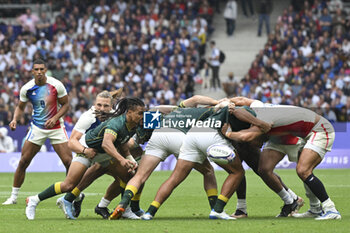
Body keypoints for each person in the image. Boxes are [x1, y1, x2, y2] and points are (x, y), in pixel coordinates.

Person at [137, 104, 271, 220]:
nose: (260, 146)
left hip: (193, 134)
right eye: (261, 141)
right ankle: (217, 210)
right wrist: (260, 123)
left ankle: (149, 212)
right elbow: (238, 113)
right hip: (211, 135)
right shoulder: (251, 115)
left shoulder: (229, 117)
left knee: (175, 178)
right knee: (237, 172)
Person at [25, 97, 145, 220]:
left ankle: (125, 209)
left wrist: (130, 159)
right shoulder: (116, 123)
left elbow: (122, 143)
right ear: (129, 112)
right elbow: (106, 143)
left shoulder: (132, 125)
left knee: (128, 175)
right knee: (68, 185)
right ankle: (34, 200)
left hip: (104, 154)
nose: (142, 116)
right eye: (140, 113)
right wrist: (121, 160)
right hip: (88, 149)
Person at [225, 97, 341, 220]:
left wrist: (228, 133)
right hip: (292, 134)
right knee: (264, 169)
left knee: (303, 171)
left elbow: (247, 137)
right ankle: (315, 209)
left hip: (319, 129)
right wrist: (224, 102)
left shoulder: (264, 120)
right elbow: (241, 99)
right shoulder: (257, 106)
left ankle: (331, 209)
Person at [109, 95, 222, 220]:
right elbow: (196, 100)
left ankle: (123, 205)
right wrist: (218, 102)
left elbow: (131, 143)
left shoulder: (159, 112)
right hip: (179, 138)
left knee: (140, 176)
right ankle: (215, 209)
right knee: (208, 171)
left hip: (158, 137)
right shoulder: (196, 112)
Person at [2, 59, 72, 205]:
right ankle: (13, 197)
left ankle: (70, 196)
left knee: (69, 162)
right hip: (38, 128)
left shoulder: (56, 85)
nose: (39, 72)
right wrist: (15, 119)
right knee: (23, 161)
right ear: (32, 71)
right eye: (36, 69)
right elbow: (20, 107)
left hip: (56, 128)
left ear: (45, 70)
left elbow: (66, 105)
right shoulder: (27, 88)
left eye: (42, 69)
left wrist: (55, 118)